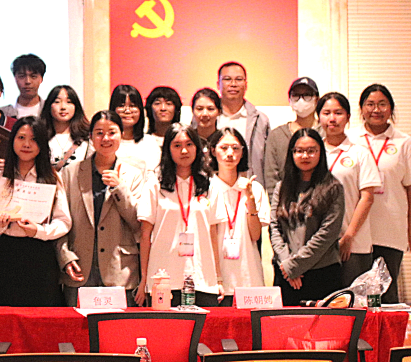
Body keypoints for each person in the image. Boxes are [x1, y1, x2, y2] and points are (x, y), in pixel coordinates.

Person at [56, 111, 144, 306]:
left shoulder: (134, 175)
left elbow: (137, 223)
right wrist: (65, 257)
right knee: (76, 325)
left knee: (117, 326)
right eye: (99, 133)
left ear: (121, 135)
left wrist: (120, 188)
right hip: (79, 267)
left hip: (119, 270)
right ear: (90, 137)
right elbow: (59, 220)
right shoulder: (70, 173)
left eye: (112, 132)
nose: (105, 138)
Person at [0, 117, 71, 306]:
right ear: (12, 140)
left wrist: (38, 231)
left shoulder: (52, 178)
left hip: (40, 253)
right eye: (21, 137)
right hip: (4, 254)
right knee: (7, 312)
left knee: (42, 313)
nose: (26, 144)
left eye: (34, 139)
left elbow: (63, 221)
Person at [136, 124, 223, 307]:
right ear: (168, 149)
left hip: (202, 279)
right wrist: (144, 279)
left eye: (189, 144)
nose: (184, 150)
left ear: (197, 148)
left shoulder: (210, 184)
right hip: (163, 278)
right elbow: (145, 235)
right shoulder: (155, 184)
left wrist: (218, 278)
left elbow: (213, 234)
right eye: (177, 145)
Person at [270, 128, 344, 306]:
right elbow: (274, 227)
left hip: (322, 273)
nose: (305, 156)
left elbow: (327, 233)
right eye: (299, 151)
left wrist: (296, 266)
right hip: (285, 273)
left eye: (311, 151)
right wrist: (287, 264)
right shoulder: (282, 187)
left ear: (320, 153)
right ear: (291, 153)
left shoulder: (333, 187)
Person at [352, 84, 410, 303]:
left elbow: (409, 188)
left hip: (390, 230)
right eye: (370, 104)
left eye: (382, 104)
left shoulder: (404, 142)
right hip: (356, 230)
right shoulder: (351, 139)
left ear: (391, 109)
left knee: (387, 295)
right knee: (356, 294)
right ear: (361, 109)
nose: (376, 109)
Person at [318, 92, 380, 287]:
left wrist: (348, 236)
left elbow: (367, 198)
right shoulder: (313, 153)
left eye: (338, 113)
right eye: (326, 113)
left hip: (354, 244)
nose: (332, 118)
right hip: (319, 246)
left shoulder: (360, 153)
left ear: (348, 117)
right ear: (318, 117)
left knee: (354, 300)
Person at [208, 127, 268, 304]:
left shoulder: (254, 188)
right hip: (216, 281)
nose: (229, 154)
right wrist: (217, 277)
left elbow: (255, 235)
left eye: (235, 148)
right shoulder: (206, 188)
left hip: (249, 277)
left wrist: (250, 198)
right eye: (223, 148)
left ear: (243, 152)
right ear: (213, 151)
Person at [263, 77, 320, 198]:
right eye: (296, 95)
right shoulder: (277, 135)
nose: (301, 100)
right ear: (290, 100)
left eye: (307, 95)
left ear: (317, 99)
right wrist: (277, 204)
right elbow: (271, 177)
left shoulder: (324, 132)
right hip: (286, 202)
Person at [216, 62, 270, 187]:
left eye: (239, 79)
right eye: (227, 79)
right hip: (215, 188)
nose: (233, 84)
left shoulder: (260, 120)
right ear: (218, 84)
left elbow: (267, 163)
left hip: (250, 187)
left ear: (246, 85)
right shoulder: (209, 117)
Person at [110, 84, 157, 174]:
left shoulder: (150, 142)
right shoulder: (106, 141)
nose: (127, 110)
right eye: (121, 105)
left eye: (132, 106)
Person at [41, 85, 90, 170]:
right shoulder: (40, 137)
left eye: (69, 102)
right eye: (57, 102)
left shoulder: (87, 138)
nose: (63, 107)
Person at [1, 54, 46, 119]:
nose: (28, 81)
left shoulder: (51, 110)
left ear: (41, 79)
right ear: (15, 78)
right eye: (22, 76)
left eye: (33, 76)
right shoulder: (2, 114)